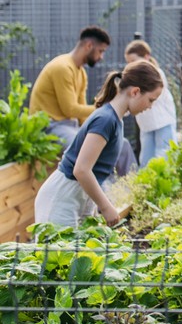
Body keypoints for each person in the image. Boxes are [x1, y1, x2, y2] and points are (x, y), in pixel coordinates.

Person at [34, 60, 163, 228]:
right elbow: (81, 170)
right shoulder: (106, 120)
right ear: (135, 92)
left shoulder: (116, 120)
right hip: (62, 198)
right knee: (56, 254)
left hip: (77, 197)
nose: (150, 106)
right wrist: (106, 207)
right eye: (151, 100)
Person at [29, 26, 138, 177]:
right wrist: (107, 109)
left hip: (70, 127)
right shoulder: (62, 67)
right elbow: (70, 109)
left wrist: (99, 125)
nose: (101, 57)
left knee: (123, 145)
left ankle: (135, 190)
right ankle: (107, 197)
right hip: (50, 127)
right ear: (88, 46)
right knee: (94, 150)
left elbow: (81, 116)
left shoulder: (81, 72)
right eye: (101, 51)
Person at [124, 39, 178, 165]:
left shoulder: (157, 74)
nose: (130, 65)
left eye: (133, 61)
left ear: (147, 57)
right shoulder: (133, 77)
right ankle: (145, 184)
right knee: (146, 159)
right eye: (128, 62)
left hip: (163, 122)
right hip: (146, 125)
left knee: (165, 156)